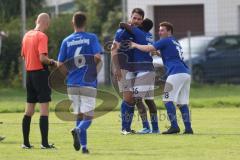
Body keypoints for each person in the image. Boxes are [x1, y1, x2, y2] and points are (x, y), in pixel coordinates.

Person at [131, 21, 194, 134]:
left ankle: (174, 127)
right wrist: (159, 54)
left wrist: (135, 45)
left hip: (175, 73)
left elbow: (148, 48)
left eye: (162, 30)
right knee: (182, 102)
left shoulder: (165, 40)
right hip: (185, 73)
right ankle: (188, 128)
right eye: (159, 30)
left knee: (167, 100)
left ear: (169, 31)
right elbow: (172, 55)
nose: (159, 32)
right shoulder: (175, 41)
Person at [57, 11, 102, 154]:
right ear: (85, 23)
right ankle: (78, 130)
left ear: (73, 23)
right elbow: (97, 56)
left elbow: (59, 63)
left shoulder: (66, 40)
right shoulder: (92, 38)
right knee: (88, 116)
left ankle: (84, 147)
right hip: (87, 82)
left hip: (72, 83)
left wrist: (68, 74)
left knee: (79, 115)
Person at [112, 8, 154, 135]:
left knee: (133, 99)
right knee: (128, 98)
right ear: (130, 17)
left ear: (142, 21)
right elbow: (113, 50)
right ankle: (124, 128)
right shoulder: (121, 32)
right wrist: (117, 69)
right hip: (124, 68)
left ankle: (127, 128)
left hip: (135, 68)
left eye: (139, 19)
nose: (136, 21)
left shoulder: (138, 33)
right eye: (134, 18)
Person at [21, 13, 57, 149]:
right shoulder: (42, 36)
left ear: (36, 21)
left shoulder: (26, 35)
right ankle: (44, 143)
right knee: (44, 110)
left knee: (29, 110)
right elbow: (43, 58)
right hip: (40, 75)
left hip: (29, 75)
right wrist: (53, 62)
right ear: (46, 23)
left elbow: (24, 57)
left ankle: (25, 143)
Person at [119, 18, 160, 134]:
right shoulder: (149, 36)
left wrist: (129, 24)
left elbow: (122, 24)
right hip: (150, 69)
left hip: (143, 70)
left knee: (137, 99)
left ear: (142, 24)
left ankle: (146, 127)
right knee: (149, 100)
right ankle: (155, 128)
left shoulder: (138, 32)